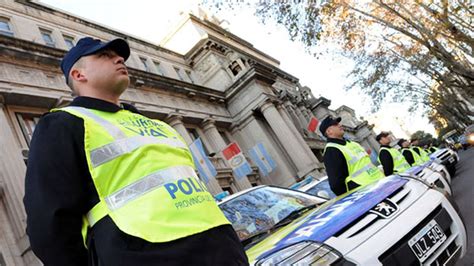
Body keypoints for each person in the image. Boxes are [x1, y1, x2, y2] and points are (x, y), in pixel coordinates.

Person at [23, 37, 248, 266]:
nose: (119, 59)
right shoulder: (62, 124)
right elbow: (49, 226)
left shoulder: (159, 126)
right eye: (104, 56)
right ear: (79, 75)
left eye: (117, 56)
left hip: (224, 251)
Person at [320, 116, 384, 196]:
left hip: (382, 183)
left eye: (338, 123)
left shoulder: (352, 143)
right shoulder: (331, 151)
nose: (340, 125)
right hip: (367, 194)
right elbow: (336, 185)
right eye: (335, 124)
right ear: (329, 131)